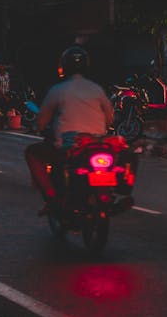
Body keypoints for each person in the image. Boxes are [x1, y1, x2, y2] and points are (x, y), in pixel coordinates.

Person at [24, 45, 114, 208]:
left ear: (64, 66)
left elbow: (42, 121)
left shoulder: (58, 90)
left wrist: (41, 127)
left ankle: (51, 196)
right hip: (98, 143)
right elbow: (109, 118)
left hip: (70, 146)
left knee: (32, 153)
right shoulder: (96, 89)